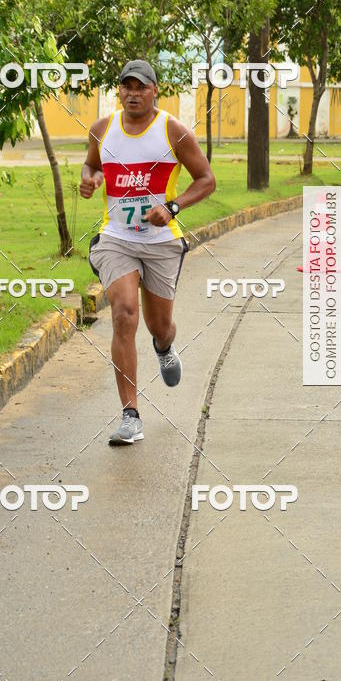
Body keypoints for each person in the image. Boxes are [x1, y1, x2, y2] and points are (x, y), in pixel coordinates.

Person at [80, 59, 216, 446]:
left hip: (161, 243)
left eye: (141, 87)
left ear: (155, 90)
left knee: (159, 325)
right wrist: (89, 182)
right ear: (118, 90)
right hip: (117, 238)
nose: (133, 93)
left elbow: (206, 180)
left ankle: (164, 347)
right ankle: (130, 416)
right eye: (126, 86)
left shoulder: (173, 131)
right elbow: (91, 168)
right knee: (123, 315)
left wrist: (172, 207)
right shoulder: (101, 130)